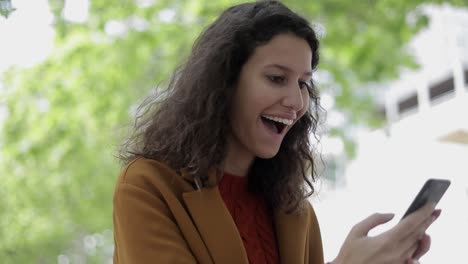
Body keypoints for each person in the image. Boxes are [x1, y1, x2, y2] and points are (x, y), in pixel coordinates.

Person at [113, 1, 441, 263]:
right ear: (224, 83)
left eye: (303, 83)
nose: (297, 101)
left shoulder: (295, 211)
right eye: (276, 78)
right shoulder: (146, 188)